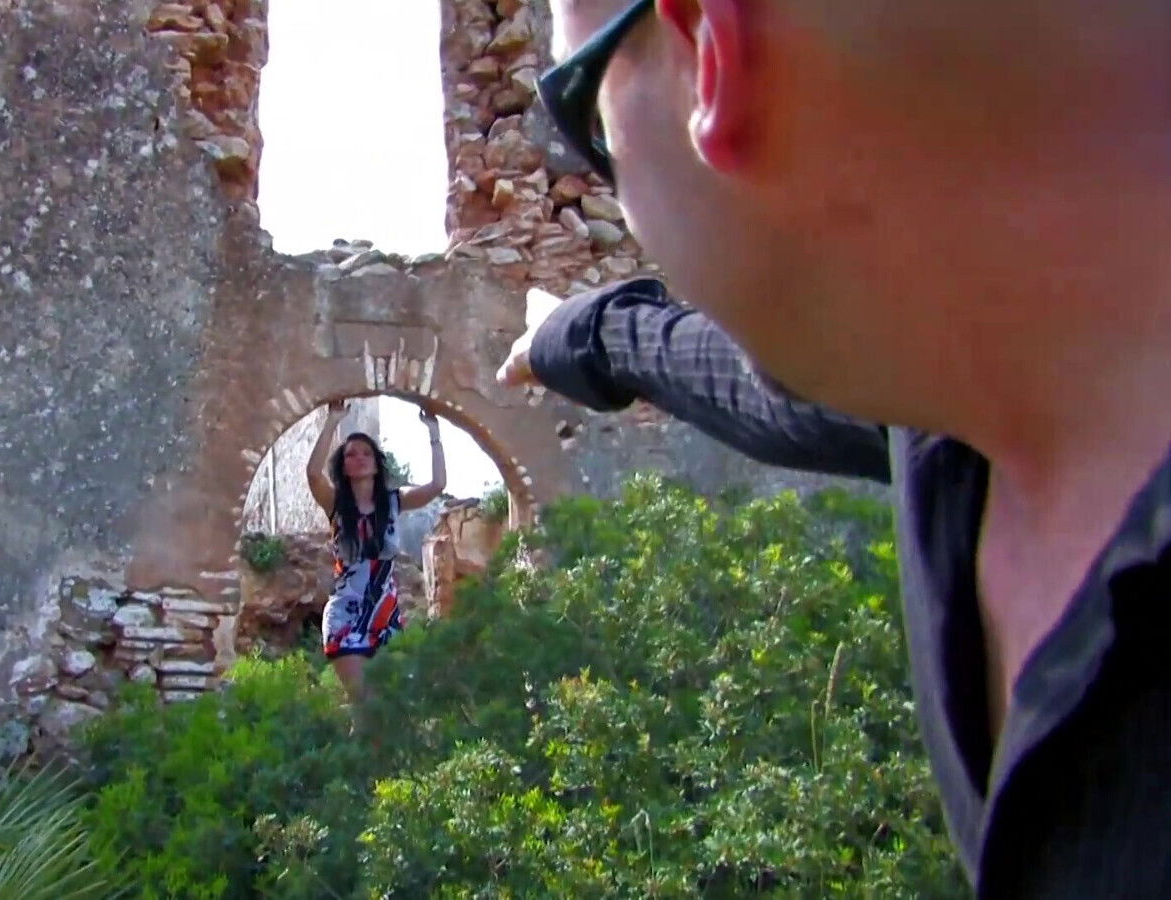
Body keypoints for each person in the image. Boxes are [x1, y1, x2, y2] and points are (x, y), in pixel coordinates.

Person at [499, 0, 1171, 895]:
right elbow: (752, 387)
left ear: (710, 47)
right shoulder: (946, 396)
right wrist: (576, 335)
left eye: (588, 129)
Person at [306, 399, 447, 711]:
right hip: (346, 615)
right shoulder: (336, 504)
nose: (359, 458)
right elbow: (314, 474)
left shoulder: (394, 503)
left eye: (366, 453)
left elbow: (438, 484)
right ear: (343, 465)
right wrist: (333, 420)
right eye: (351, 454)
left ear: (376, 462)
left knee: (390, 709)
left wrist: (433, 432)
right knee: (365, 705)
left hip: (386, 617)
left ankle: (375, 761)